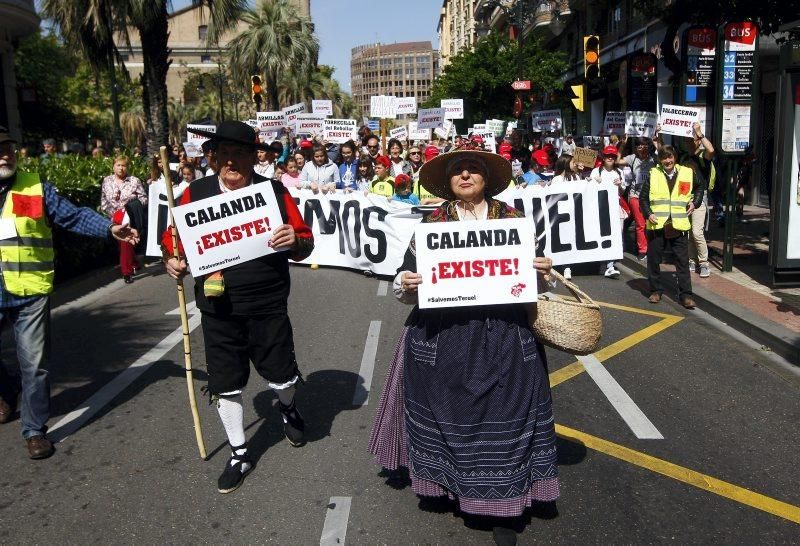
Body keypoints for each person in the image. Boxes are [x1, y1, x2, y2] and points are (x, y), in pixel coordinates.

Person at [369, 141, 558, 544]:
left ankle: (504, 508)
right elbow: (404, 282)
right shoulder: (432, 225)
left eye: (473, 169)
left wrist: (543, 270)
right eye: (458, 171)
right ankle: (448, 486)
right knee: (450, 417)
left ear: (487, 178)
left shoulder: (513, 219)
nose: (466, 175)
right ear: (448, 182)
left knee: (506, 416)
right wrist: (405, 283)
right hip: (445, 335)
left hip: (505, 333)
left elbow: (531, 280)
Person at [162, 121, 314, 494]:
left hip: (268, 301)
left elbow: (305, 241)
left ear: (254, 157)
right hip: (217, 306)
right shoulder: (193, 194)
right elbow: (174, 238)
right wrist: (172, 258)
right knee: (225, 381)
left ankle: (287, 407)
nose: (232, 161)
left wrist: (295, 239)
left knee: (282, 375)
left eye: (241, 154)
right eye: (224, 154)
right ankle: (240, 452)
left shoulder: (274, 192)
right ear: (213, 158)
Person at [0, 127, 139, 459]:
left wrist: (109, 228)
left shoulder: (35, 188)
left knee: (34, 363)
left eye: (8, 147)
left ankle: (34, 430)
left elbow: (72, 216)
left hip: (30, 291)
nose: (5, 154)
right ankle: (7, 388)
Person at [640, 145, 703, 309]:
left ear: (674, 157)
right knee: (654, 260)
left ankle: (686, 295)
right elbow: (643, 199)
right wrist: (648, 214)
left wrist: (695, 202)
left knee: (682, 262)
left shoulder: (687, 172)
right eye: (664, 158)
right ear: (660, 160)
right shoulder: (653, 173)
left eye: (670, 157)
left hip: (679, 224)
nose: (667, 161)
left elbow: (699, 187)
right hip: (657, 224)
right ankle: (655, 290)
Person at [100, 155, 148, 283]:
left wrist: (130, 205)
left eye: (124, 165)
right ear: (113, 166)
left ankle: (126, 272)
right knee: (124, 242)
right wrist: (113, 215)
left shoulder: (134, 181)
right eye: (118, 165)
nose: (121, 168)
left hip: (129, 214)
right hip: (114, 216)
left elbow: (144, 199)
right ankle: (134, 263)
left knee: (125, 242)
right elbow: (104, 202)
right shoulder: (107, 181)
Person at [682, 121, 715, 278]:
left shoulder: (703, 156)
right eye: (686, 139)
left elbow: (711, 150)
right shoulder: (683, 157)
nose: (689, 142)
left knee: (697, 232)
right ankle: (691, 260)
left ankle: (704, 263)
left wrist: (699, 132)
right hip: (683, 198)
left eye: (692, 139)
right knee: (688, 232)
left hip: (699, 198)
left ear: (697, 140)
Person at [618, 137, 656, 261]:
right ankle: (642, 250)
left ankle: (653, 248)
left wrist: (658, 137)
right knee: (640, 224)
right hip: (636, 196)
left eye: (643, 145)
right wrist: (622, 144)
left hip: (652, 197)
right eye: (638, 145)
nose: (640, 147)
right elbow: (617, 161)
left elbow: (664, 155)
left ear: (648, 146)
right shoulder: (632, 158)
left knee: (652, 223)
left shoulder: (654, 159)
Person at [590, 146, 625, 279]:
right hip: (600, 208)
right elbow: (589, 190)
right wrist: (596, 183)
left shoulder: (619, 173)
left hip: (615, 208)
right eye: (607, 156)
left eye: (612, 156)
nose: (610, 158)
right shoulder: (595, 172)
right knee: (601, 234)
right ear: (603, 158)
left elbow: (622, 193)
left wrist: (620, 185)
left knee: (615, 235)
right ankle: (602, 262)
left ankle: (610, 265)